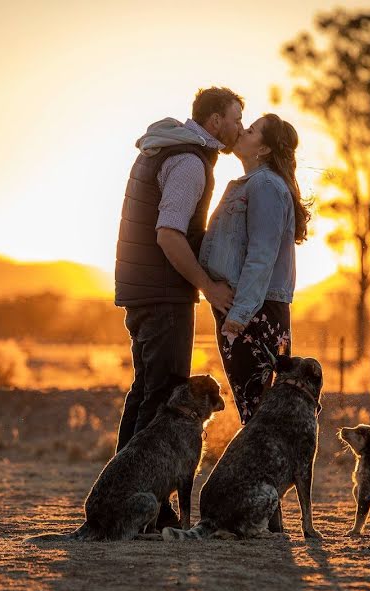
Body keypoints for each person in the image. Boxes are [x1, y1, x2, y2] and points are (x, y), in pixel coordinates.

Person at [113, 87, 244, 528]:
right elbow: (169, 233)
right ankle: (148, 504)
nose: (239, 128)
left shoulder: (165, 150)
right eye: (235, 119)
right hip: (164, 293)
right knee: (162, 395)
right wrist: (207, 285)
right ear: (213, 122)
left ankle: (122, 494)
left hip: (141, 291)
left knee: (145, 392)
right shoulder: (188, 163)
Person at [199, 113, 312, 424]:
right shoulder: (255, 184)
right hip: (249, 308)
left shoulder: (265, 186)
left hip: (255, 312)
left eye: (251, 131)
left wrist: (240, 313)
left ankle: (270, 471)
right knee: (258, 413)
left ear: (263, 150)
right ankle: (270, 471)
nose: (242, 132)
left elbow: (262, 254)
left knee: (259, 413)